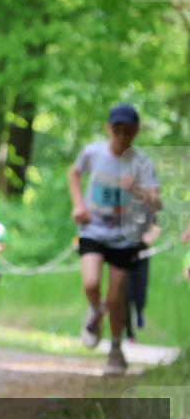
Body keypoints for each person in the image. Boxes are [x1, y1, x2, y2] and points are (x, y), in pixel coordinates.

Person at [68, 102, 161, 375]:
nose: (122, 137)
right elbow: (73, 173)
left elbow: (157, 202)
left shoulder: (141, 162)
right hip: (94, 229)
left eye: (128, 132)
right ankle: (96, 314)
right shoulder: (93, 153)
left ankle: (116, 350)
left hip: (124, 236)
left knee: (116, 296)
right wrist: (78, 205)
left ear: (136, 132)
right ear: (109, 128)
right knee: (91, 282)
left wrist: (137, 189)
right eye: (117, 130)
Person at [124, 220, 160, 343]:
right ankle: (129, 333)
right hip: (123, 255)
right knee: (126, 294)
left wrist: (149, 237)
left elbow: (155, 226)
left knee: (140, 289)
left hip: (142, 254)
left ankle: (139, 311)